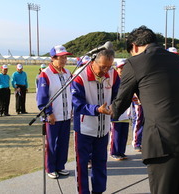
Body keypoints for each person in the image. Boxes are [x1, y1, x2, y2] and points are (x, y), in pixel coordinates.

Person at [110, 26, 179, 194]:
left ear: (134, 46)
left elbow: (120, 105)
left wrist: (107, 110)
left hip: (165, 140)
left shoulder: (134, 62)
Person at [71, 49, 120, 194]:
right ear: (93, 62)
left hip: (103, 128)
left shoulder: (113, 74)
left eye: (109, 67)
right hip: (84, 128)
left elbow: (118, 94)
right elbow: (77, 104)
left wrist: (115, 105)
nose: (106, 71)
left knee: (100, 163)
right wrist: (97, 109)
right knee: (81, 164)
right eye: (102, 67)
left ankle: (99, 191)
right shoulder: (79, 76)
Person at [36, 45, 73, 179]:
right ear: (53, 58)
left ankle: (60, 166)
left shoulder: (68, 73)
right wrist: (49, 113)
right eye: (61, 57)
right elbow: (42, 98)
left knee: (63, 142)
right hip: (53, 116)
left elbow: (71, 93)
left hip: (66, 115)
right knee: (52, 143)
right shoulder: (45, 74)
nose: (64, 60)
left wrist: (71, 109)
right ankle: (50, 168)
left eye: (65, 57)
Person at [110, 59, 130, 160]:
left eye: (124, 67)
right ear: (116, 68)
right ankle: (114, 152)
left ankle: (121, 151)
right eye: (121, 68)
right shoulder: (114, 79)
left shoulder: (128, 78)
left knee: (124, 133)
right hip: (116, 110)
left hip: (126, 111)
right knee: (116, 134)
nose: (122, 69)